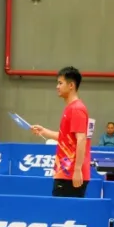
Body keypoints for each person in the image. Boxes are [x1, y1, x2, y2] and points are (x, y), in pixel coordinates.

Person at [31, 66, 92, 197]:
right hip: (64, 172)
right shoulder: (70, 108)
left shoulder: (77, 109)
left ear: (71, 85)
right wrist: (44, 131)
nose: (57, 87)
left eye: (60, 83)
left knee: (65, 210)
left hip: (71, 175)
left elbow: (81, 139)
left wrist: (77, 170)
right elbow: (67, 138)